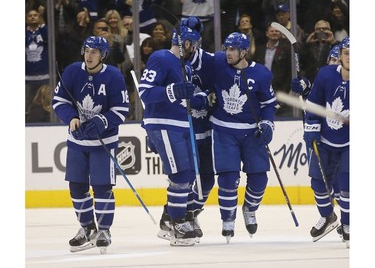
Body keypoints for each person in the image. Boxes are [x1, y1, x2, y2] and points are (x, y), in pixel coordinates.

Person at [190, 31, 277, 243]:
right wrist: (188, 34)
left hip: (252, 133)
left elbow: (268, 104)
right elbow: (194, 55)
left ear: (244, 52)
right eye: (226, 48)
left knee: (259, 179)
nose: (228, 53)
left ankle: (249, 208)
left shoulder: (262, 74)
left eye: (233, 49)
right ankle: (227, 220)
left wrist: (267, 124)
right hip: (223, 130)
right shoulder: (219, 63)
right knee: (228, 179)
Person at [52, 36, 129, 252]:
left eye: (95, 51)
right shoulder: (72, 71)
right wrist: (71, 118)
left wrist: (101, 122)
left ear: (103, 55)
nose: (90, 55)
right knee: (76, 186)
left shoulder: (113, 76)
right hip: (77, 140)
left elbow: (122, 109)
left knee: (102, 186)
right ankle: (87, 227)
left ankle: (104, 230)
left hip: (104, 141)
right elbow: (59, 100)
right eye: (87, 50)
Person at [138, 21, 208, 246]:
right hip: (163, 123)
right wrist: (174, 90)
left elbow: (183, 98)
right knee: (180, 176)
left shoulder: (185, 67)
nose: (195, 48)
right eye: (193, 44)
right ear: (184, 42)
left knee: (187, 175)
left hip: (180, 124)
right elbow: (145, 91)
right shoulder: (161, 57)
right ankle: (176, 223)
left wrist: (198, 98)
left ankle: (178, 217)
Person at [300, 36, 350, 248]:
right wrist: (311, 128)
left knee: (348, 185)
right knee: (318, 183)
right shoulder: (325, 75)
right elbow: (313, 106)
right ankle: (328, 216)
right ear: (340, 56)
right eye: (347, 53)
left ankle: (349, 225)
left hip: (350, 144)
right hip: (325, 140)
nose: (351, 58)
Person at [253, 22, 292, 117]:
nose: (274, 33)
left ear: (281, 34)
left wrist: (285, 90)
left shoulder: (286, 49)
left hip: (279, 89)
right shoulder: (259, 49)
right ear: (267, 33)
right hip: (261, 88)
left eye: (277, 31)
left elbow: (290, 71)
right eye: (272, 31)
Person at [25, 8, 49, 120]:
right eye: (30, 15)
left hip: (44, 76)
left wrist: (43, 23)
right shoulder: (24, 33)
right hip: (27, 78)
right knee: (27, 105)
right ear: (26, 19)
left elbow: (51, 38)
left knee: (45, 103)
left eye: (36, 15)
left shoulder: (43, 31)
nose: (33, 17)